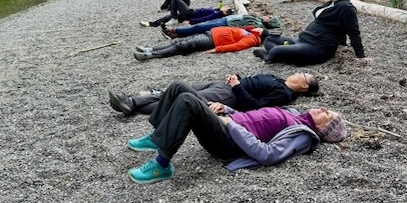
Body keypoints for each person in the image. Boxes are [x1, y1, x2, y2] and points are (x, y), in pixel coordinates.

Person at [125, 81, 347, 184]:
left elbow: (267, 154)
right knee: (179, 87)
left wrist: (230, 124)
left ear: (322, 128)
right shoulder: (295, 113)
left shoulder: (304, 136)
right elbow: (255, 118)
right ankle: (157, 137)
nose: (324, 109)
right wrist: (228, 110)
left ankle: (162, 165)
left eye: (327, 115)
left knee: (187, 101)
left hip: (229, 142)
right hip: (227, 121)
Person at [253, 0, 371, 66]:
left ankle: (269, 56)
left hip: (317, 47)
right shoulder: (332, 2)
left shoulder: (347, 8)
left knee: (275, 50)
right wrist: (342, 42)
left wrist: (360, 56)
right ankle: (286, 56)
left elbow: (353, 31)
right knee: (269, 39)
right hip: (303, 39)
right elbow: (338, 26)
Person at [108, 72, 319, 116]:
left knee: (180, 97)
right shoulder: (279, 80)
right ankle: (133, 104)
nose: (298, 72)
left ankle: (132, 102)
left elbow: (255, 107)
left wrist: (236, 86)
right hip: (224, 85)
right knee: (177, 90)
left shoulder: (283, 94)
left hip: (229, 96)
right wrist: (236, 78)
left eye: (303, 75)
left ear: (304, 87)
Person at [134, 26, 268, 60]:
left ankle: (152, 55)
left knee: (182, 46)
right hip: (211, 34)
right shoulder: (249, 31)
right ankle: (149, 49)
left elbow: (237, 46)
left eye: (260, 29)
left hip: (211, 41)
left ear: (260, 34)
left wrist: (218, 49)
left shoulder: (252, 39)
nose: (258, 27)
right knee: (179, 41)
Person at [161, 14, 281, 39]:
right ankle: (176, 34)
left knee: (199, 29)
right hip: (225, 19)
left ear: (269, 22)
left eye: (269, 17)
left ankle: (173, 30)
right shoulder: (258, 18)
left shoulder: (257, 24)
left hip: (226, 24)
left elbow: (243, 28)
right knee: (201, 26)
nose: (267, 16)